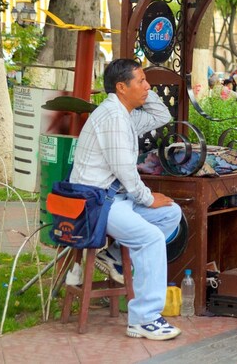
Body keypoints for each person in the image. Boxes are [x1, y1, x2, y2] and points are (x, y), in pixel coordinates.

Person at [70, 59, 182, 341]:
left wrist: (142, 82)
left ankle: (115, 254)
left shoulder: (125, 113)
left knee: (172, 213)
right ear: (121, 88)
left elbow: (161, 115)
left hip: (114, 199)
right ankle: (144, 319)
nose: (147, 86)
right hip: (95, 202)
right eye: (141, 81)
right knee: (151, 238)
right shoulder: (113, 118)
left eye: (146, 81)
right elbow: (124, 170)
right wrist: (147, 199)